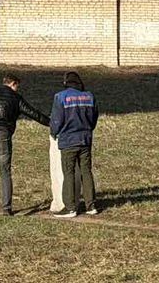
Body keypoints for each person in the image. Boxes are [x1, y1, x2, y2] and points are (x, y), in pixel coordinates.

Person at [0, 74, 50, 216]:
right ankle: (6, 207)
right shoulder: (16, 98)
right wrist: (50, 123)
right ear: (13, 83)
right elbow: (33, 113)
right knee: (5, 171)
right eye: (17, 86)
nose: (17, 89)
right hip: (4, 134)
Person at [50, 71, 99, 218]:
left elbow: (56, 120)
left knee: (69, 172)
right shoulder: (89, 96)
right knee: (86, 171)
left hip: (68, 140)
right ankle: (91, 205)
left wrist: (54, 132)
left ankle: (70, 207)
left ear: (66, 83)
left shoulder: (60, 97)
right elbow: (94, 118)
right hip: (85, 139)